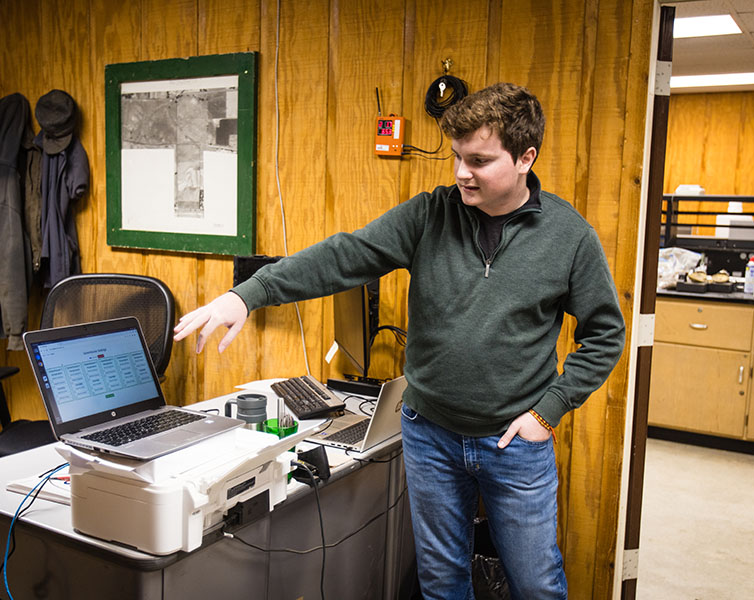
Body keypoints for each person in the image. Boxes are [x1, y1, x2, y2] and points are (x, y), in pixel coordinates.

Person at [173, 82, 626, 599]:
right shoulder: (431, 213)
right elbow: (345, 255)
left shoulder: (569, 236)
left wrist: (550, 409)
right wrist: (249, 294)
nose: (460, 173)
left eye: (478, 160)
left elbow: (606, 333)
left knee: (537, 585)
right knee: (441, 582)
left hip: (514, 443)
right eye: (456, 157)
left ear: (526, 158)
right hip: (430, 434)